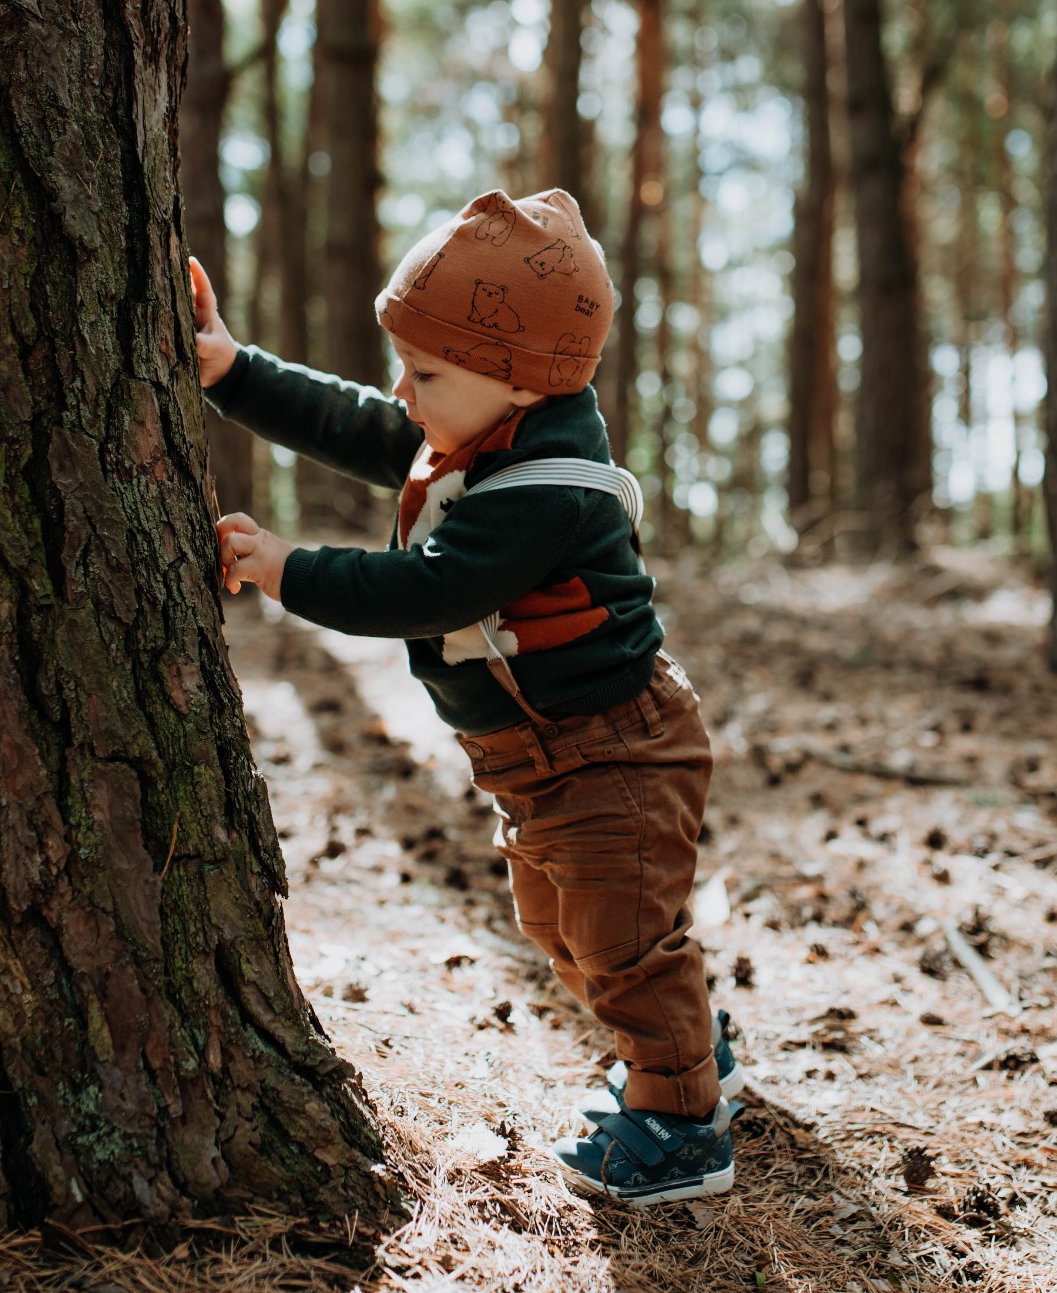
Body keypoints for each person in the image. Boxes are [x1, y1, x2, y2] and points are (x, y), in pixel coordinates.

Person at [190, 188, 743, 1205]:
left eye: (426, 372)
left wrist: (284, 567)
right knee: (565, 931)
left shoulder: (545, 487)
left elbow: (427, 589)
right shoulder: (481, 427)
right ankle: (686, 1042)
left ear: (517, 379)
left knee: (618, 942)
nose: (403, 391)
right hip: (541, 763)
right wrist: (233, 372)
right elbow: (359, 423)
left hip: (610, 753)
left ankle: (681, 1119)